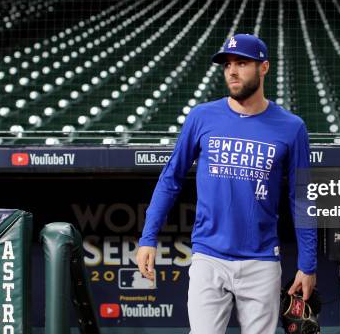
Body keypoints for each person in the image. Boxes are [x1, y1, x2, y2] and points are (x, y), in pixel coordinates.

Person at [136, 33, 317, 334]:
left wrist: (308, 264)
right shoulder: (202, 116)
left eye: (242, 63)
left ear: (264, 68)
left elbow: (302, 197)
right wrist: (147, 237)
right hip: (209, 255)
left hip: (261, 260)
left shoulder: (292, 127)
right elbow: (171, 178)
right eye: (227, 64)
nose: (232, 71)